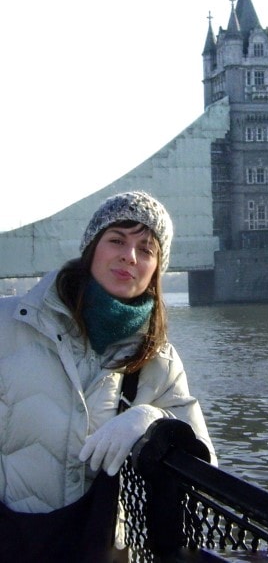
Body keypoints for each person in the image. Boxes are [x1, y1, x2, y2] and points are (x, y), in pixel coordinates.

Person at [0, 191, 216, 561]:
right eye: (117, 240)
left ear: (156, 270)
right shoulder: (8, 323)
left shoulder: (157, 359)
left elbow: (205, 469)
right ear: (91, 250)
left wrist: (152, 419)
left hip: (95, 548)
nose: (129, 256)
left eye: (146, 250)